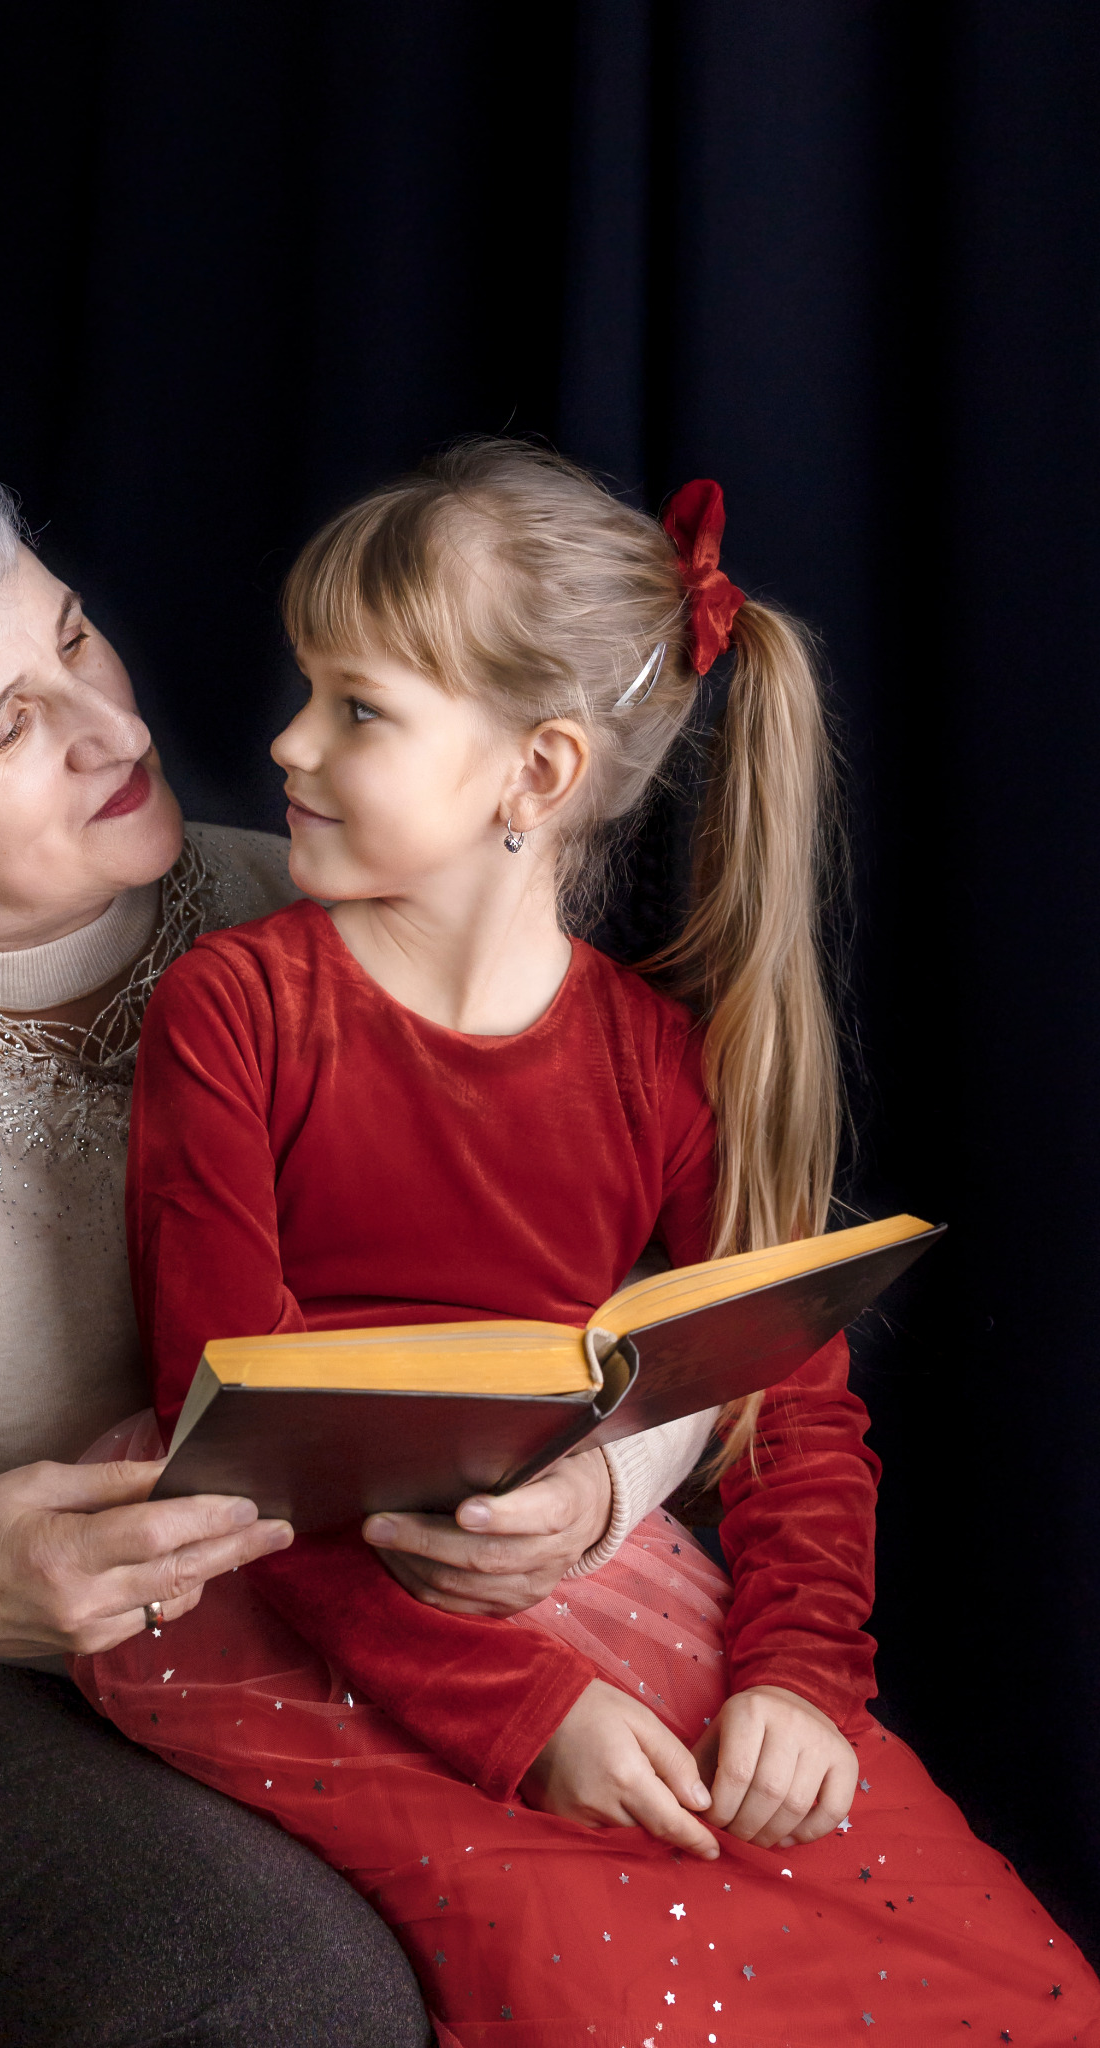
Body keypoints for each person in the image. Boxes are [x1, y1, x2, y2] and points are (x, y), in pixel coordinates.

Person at [0, 439, 705, 2047]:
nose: (113, 726)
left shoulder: (312, 909)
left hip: (333, 1612)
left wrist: (602, 1483)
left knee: (662, 1909)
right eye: (8, 729)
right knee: (280, 2000)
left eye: (73, 640)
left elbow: (666, 1297)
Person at [79, 440, 1100, 2045]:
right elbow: (237, 1450)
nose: (283, 740)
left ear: (535, 774)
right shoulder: (240, 1012)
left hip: (586, 1585)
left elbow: (794, 1417)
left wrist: (794, 1682)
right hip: (272, 1603)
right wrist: (527, 1714)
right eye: (308, 691)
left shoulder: (657, 1069)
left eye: (357, 708)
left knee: (1007, 1987)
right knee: (621, 1989)